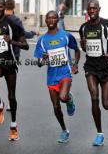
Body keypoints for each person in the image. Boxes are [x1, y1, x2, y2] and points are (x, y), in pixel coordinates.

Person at [79, 0, 108, 146]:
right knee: (94, 97)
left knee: (106, 105)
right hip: (91, 67)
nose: (92, 11)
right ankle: (99, 133)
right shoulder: (83, 28)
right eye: (89, 9)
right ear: (87, 10)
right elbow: (87, 49)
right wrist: (83, 46)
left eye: (94, 8)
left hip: (106, 67)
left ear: (99, 9)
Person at [0, 0, 29, 141]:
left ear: (4, 8)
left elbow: (25, 45)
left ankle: (13, 125)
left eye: (0, 7)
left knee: (12, 96)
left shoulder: (12, 23)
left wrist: (12, 41)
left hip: (10, 62)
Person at [34, 10, 80, 143]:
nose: (51, 20)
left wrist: (75, 64)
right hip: (51, 77)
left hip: (65, 73)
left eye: (54, 18)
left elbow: (76, 50)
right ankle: (64, 130)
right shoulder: (42, 40)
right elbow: (39, 64)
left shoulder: (65, 35)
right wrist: (43, 59)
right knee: (56, 107)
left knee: (63, 97)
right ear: (46, 21)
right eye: (48, 18)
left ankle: (69, 99)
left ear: (57, 20)